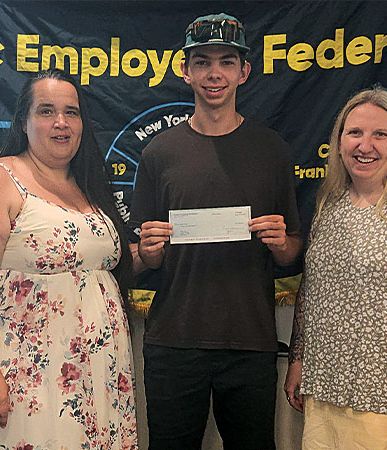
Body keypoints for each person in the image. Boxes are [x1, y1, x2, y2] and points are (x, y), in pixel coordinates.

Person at [129, 12, 302, 450]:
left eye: (226, 62)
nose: (214, 74)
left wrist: (282, 245)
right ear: (185, 71)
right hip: (173, 341)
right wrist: (148, 253)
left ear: (244, 72)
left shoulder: (273, 150)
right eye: (202, 61)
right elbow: (139, 254)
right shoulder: (158, 152)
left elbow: (293, 253)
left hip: (250, 342)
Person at [0, 69, 138, 449]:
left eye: (72, 112)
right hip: (29, 376)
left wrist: (146, 254)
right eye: (47, 111)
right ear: (24, 120)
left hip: (101, 373)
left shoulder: (88, 184)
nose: (61, 123)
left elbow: (89, 266)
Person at [284, 87, 387, 449]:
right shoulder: (329, 202)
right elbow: (313, 291)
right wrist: (297, 359)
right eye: (355, 133)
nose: (365, 145)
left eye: (380, 134)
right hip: (322, 398)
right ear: (339, 142)